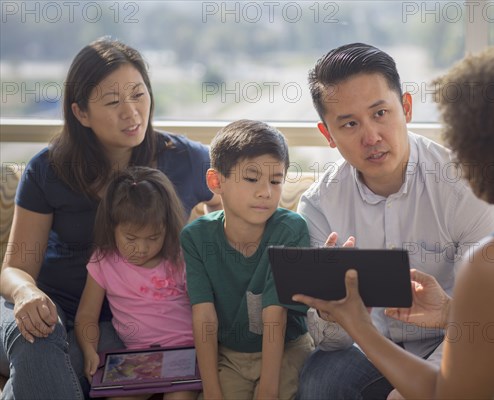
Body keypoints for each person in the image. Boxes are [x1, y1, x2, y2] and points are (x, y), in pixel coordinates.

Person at [293, 46, 494, 399]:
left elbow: (449, 396)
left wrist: (360, 325)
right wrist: (452, 312)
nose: (371, 136)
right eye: (350, 123)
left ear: (470, 152)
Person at [0, 38, 219, 399]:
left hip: (120, 323)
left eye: (138, 94)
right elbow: (14, 269)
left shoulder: (184, 159)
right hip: (44, 305)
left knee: (59, 363)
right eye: (114, 102)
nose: (132, 112)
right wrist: (26, 293)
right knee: (38, 335)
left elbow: (237, 209)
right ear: (81, 113)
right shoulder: (48, 169)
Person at [295, 42, 494, 400]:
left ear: (405, 108)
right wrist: (333, 312)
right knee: (320, 379)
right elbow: (332, 343)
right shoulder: (318, 206)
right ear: (327, 134)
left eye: (380, 113)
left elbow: (490, 318)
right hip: (369, 349)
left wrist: (419, 389)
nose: (371, 137)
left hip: (456, 341)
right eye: (349, 124)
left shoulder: (465, 187)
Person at [181, 119, 315, 400]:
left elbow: (274, 313)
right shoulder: (196, 238)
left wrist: (268, 388)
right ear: (216, 181)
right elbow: (204, 316)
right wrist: (212, 391)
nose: (265, 192)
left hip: (286, 349)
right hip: (231, 355)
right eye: (252, 179)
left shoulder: (291, 230)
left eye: (276, 181)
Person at [75, 166, 198, 400]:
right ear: (112, 228)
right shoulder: (103, 261)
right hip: (136, 359)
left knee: (181, 396)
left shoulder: (179, 257)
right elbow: (87, 316)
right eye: (131, 238)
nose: (141, 248)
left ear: (167, 229)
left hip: (186, 354)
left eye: (153, 238)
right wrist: (90, 351)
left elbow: (203, 307)